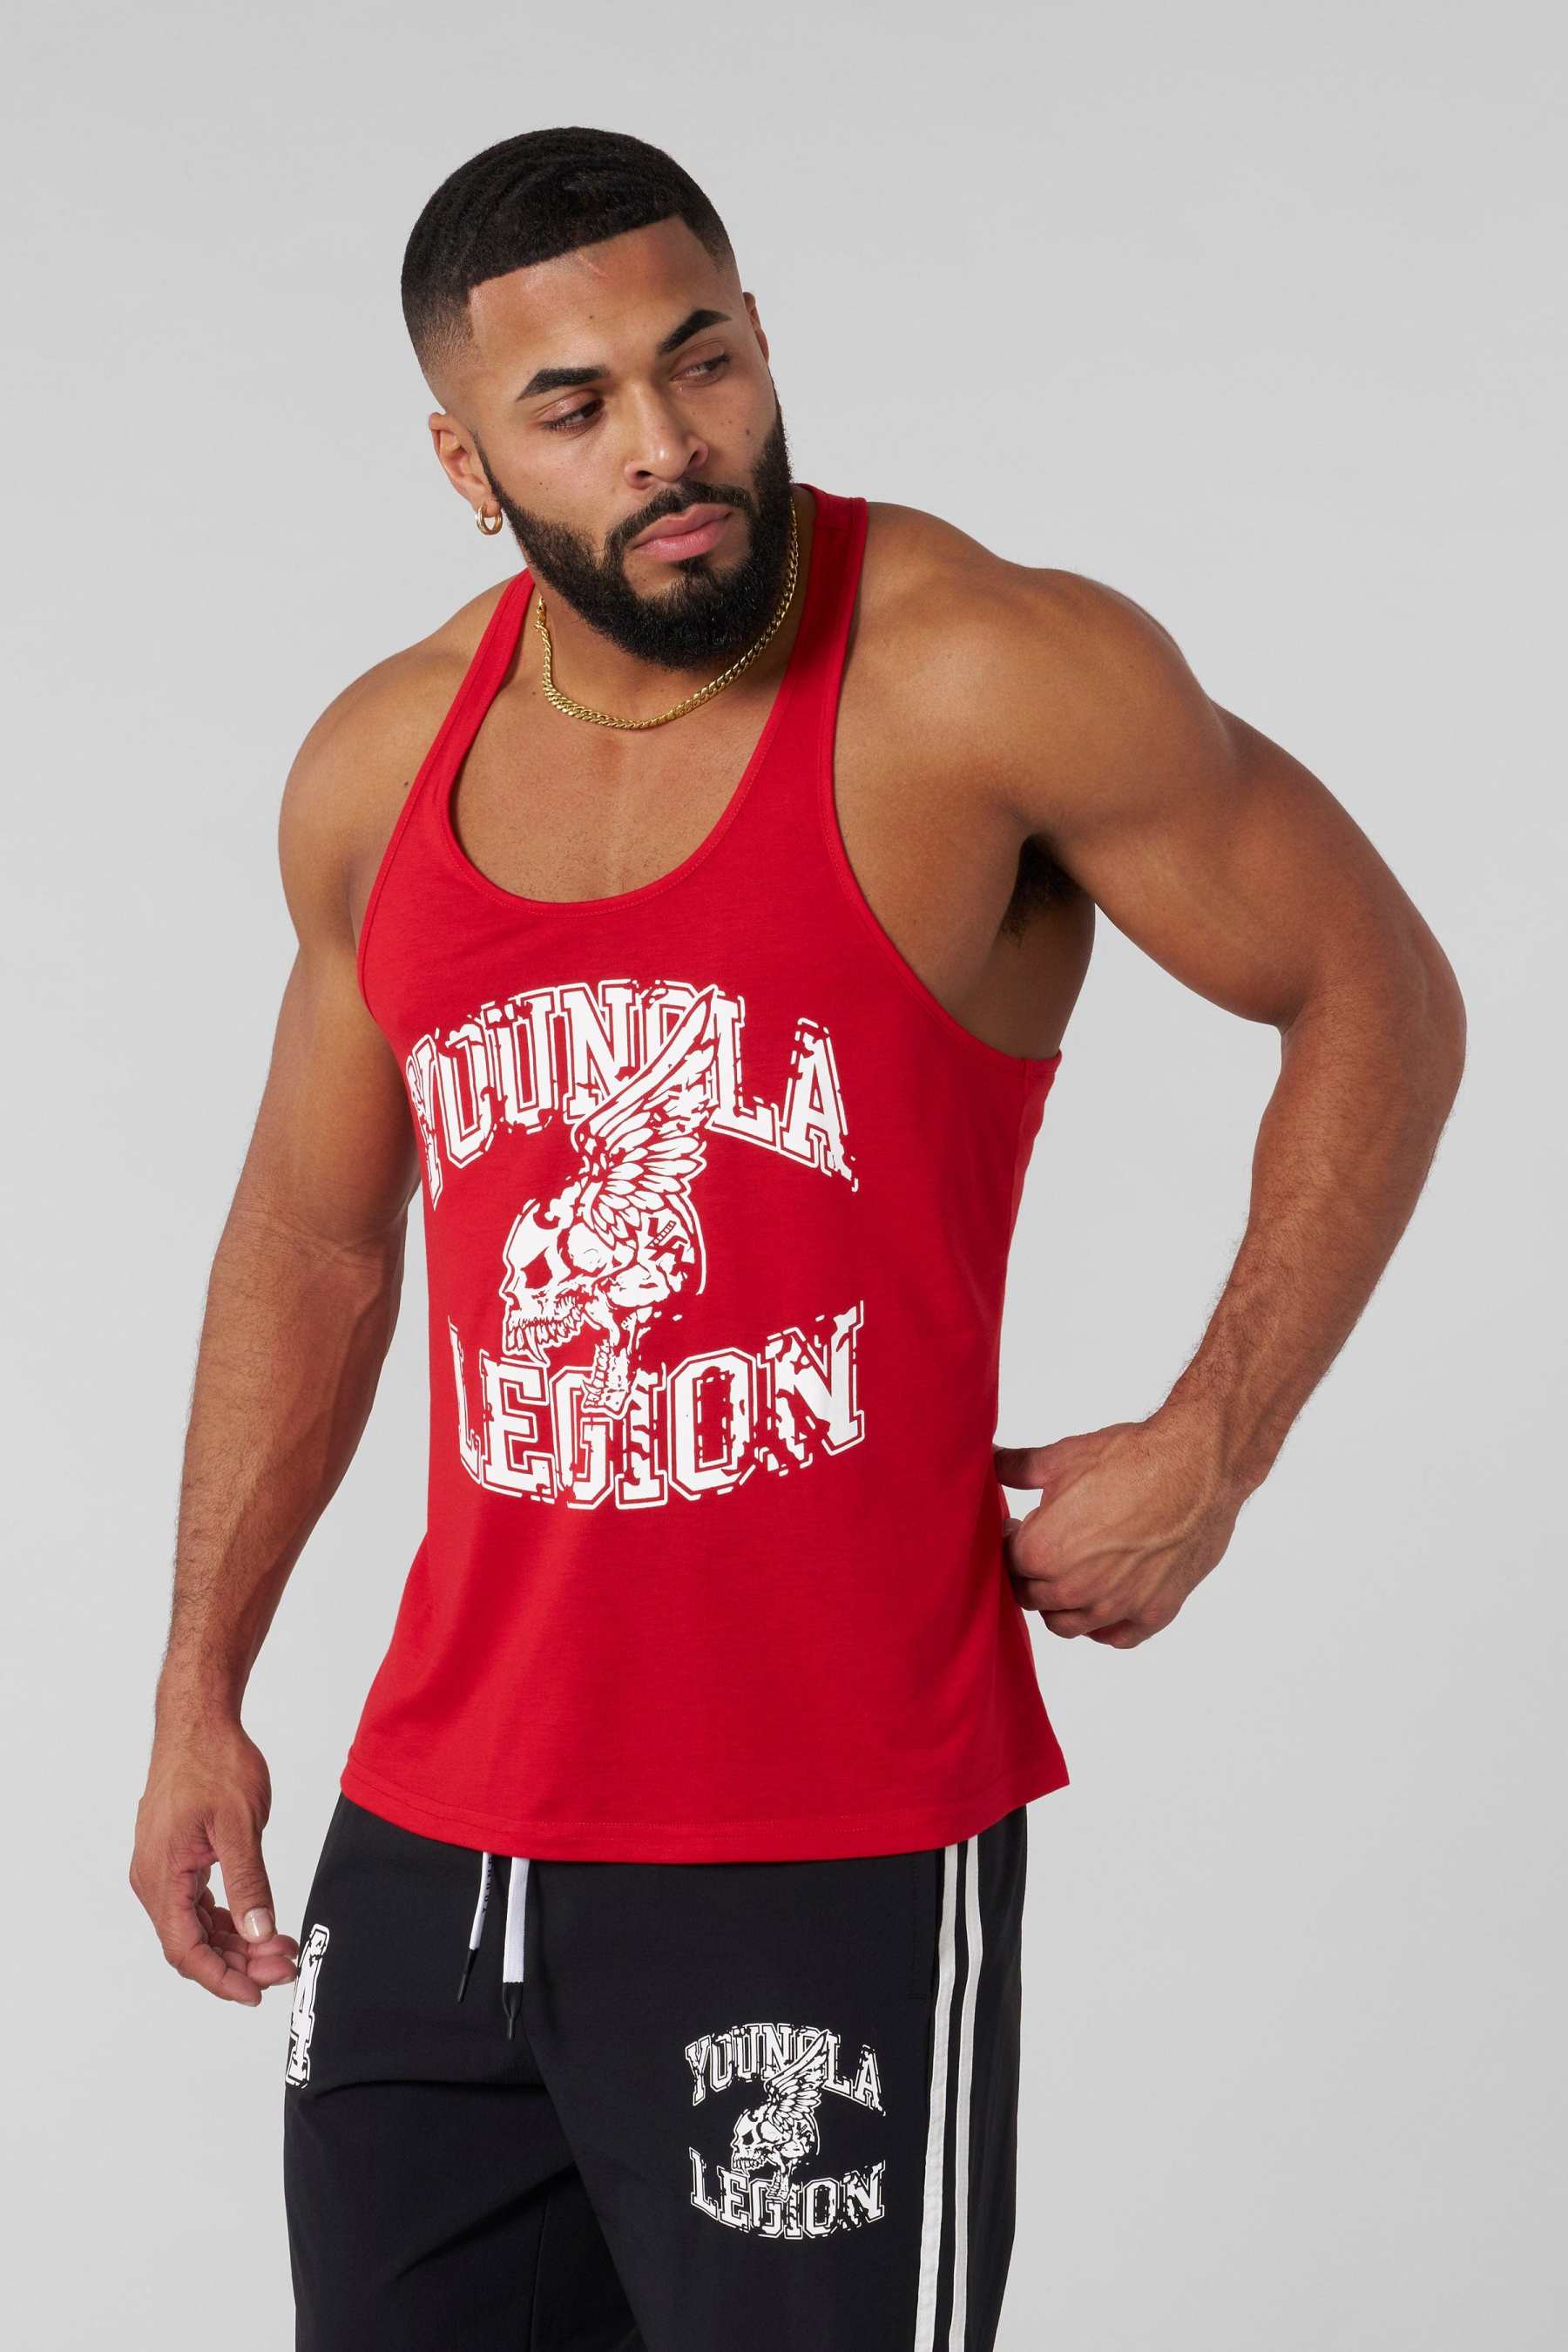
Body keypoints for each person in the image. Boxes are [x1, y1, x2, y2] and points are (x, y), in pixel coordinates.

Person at [128, 125, 1465, 2351]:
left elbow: (1376, 987)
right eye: (574, 407)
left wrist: (1220, 1434)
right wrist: (199, 1691)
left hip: (824, 1839)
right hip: (436, 1840)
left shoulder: (982, 673)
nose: (666, 444)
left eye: (702, 362)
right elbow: (315, 1239)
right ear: (467, 462)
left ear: (759, 344)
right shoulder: (381, 766)